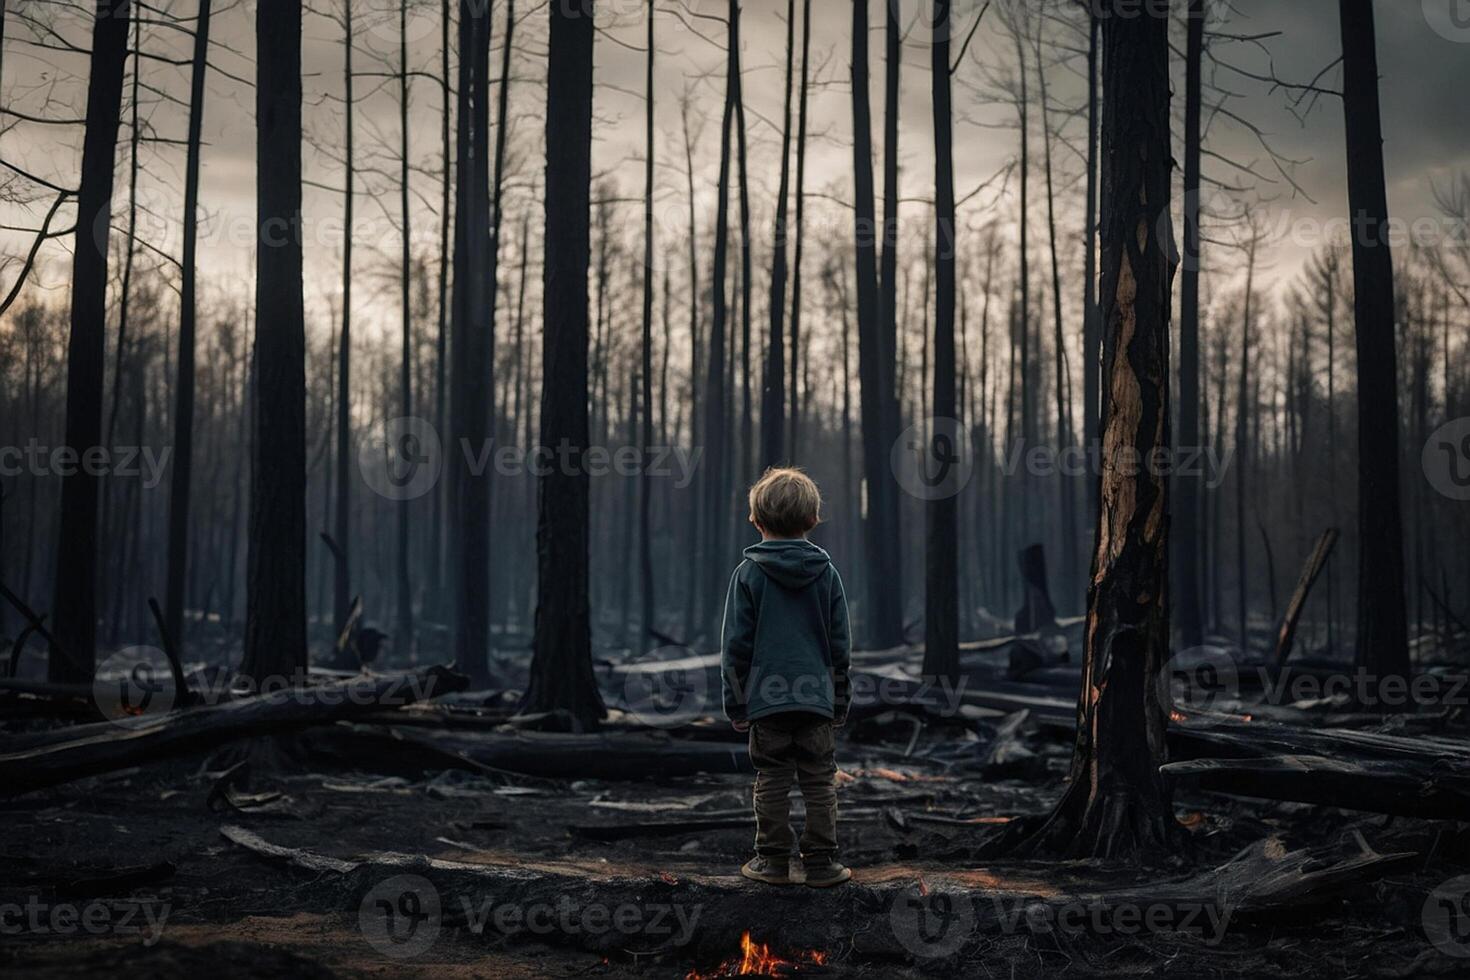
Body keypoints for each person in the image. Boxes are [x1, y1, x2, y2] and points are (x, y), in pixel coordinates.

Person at [721, 467, 852, 887]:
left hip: (766, 701)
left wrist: (736, 702)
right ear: (812, 519)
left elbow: (736, 647)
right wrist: (840, 700)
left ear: (756, 519)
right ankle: (822, 863)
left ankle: (772, 861)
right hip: (815, 700)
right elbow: (839, 645)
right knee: (818, 779)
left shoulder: (747, 575)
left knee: (772, 777)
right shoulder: (827, 574)